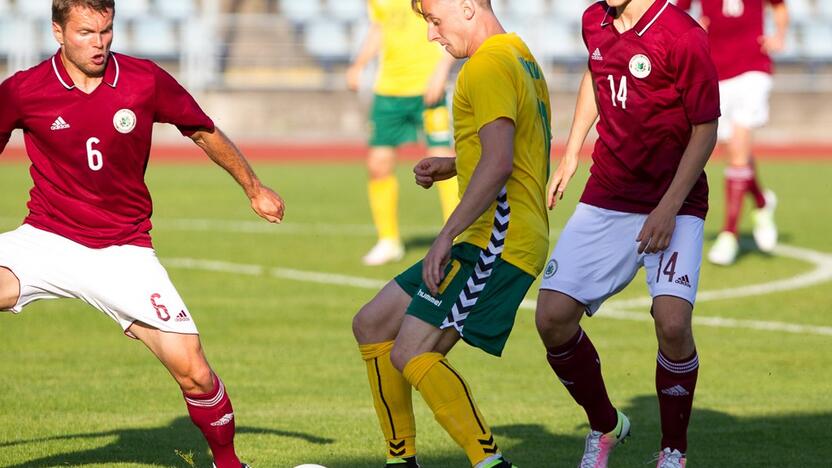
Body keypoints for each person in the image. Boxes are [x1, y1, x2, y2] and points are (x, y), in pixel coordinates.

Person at [0, 2, 285, 467]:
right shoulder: (24, 90)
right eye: (86, 32)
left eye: (107, 31)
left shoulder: (143, 80)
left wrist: (255, 188)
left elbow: (203, 130)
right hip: (45, 239)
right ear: (58, 32)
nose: (99, 42)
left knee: (193, 369)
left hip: (122, 251)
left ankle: (230, 464)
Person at [352, 0, 551, 466]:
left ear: (466, 8)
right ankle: (401, 459)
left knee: (413, 353)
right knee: (373, 323)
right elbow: (515, 148)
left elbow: (500, 162)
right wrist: (452, 164)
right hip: (491, 235)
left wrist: (445, 234)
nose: (431, 36)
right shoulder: (518, 54)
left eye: (435, 21)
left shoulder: (486, 66)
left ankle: (490, 462)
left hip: (497, 241)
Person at [535, 0, 719, 467]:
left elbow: (705, 129)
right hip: (609, 194)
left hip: (674, 200)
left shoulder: (683, 35)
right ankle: (604, 426)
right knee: (551, 318)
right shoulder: (594, 20)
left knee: (673, 323)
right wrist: (572, 150)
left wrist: (668, 208)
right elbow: (597, 76)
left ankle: (673, 450)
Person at [674, 0, 788, 266]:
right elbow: (678, 12)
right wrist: (693, 28)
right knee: (737, 152)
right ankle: (761, 202)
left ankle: (730, 234)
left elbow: (779, 6)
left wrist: (779, 36)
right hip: (716, 71)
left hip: (753, 68)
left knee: (738, 147)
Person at [347, 0, 459, 266]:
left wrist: (441, 71)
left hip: (428, 88)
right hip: (388, 91)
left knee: (444, 162)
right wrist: (359, 65)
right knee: (378, 164)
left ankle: (457, 236)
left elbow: (451, 24)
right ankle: (388, 241)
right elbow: (380, 28)